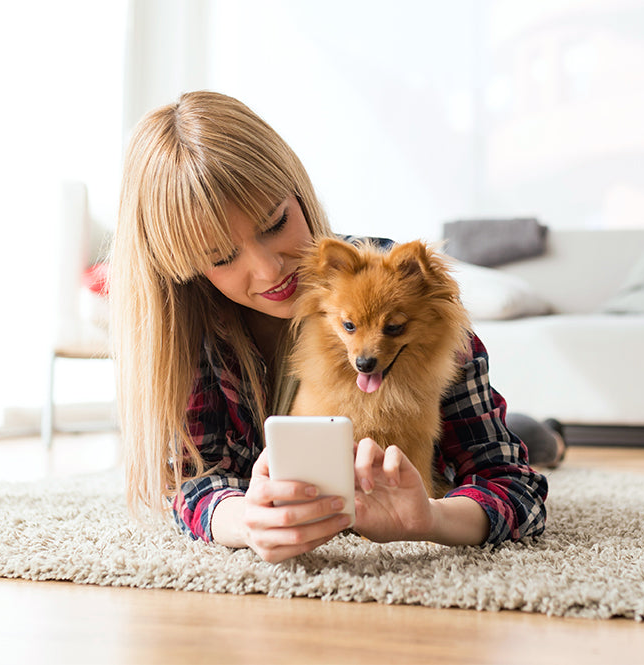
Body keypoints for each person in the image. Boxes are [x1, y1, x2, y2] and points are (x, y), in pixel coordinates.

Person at [110, 91, 550, 564]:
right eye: (221, 256)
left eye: (275, 222)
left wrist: (430, 519)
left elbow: (513, 485)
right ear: (186, 267)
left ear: (298, 191)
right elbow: (191, 483)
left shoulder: (402, 290)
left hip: (441, 455)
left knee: (533, 438)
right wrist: (245, 521)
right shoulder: (191, 329)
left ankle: (550, 433)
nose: (269, 269)